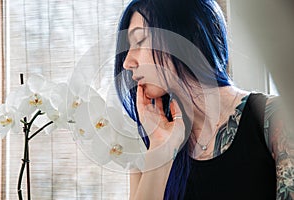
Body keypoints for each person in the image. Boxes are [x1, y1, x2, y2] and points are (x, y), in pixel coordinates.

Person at [114, 0, 294, 199]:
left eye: (139, 41)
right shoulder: (147, 148)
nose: (127, 62)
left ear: (187, 35)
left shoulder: (276, 121)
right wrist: (160, 150)